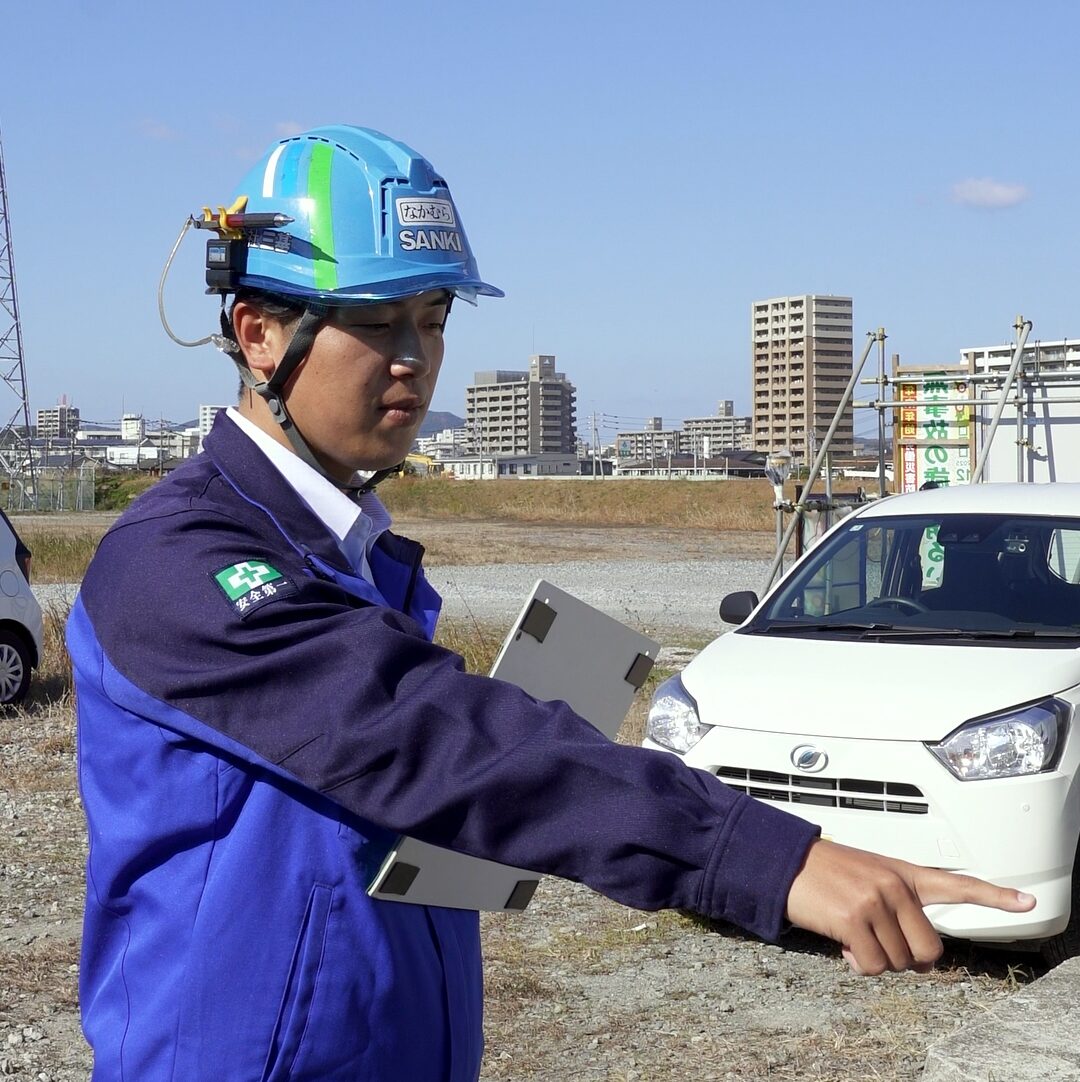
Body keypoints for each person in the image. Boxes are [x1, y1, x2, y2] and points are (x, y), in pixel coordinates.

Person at [67, 124, 1034, 1081]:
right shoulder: (179, 560)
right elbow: (428, 738)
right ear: (259, 333)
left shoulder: (361, 555)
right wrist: (757, 857)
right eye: (374, 321)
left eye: (435, 317)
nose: (415, 356)